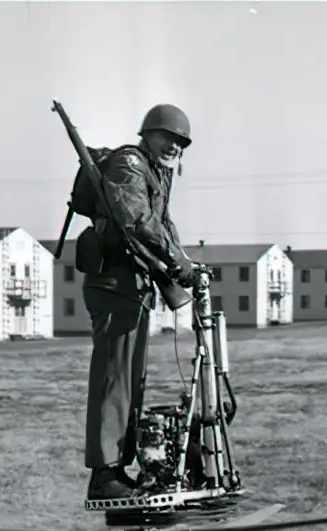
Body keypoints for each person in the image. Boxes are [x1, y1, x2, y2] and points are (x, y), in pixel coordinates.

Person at [82, 103, 199, 501]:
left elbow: (163, 225)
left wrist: (184, 264)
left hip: (133, 287)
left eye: (181, 143)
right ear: (148, 133)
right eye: (168, 137)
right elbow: (137, 220)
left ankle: (119, 467)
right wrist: (176, 263)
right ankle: (104, 474)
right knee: (114, 380)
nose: (174, 147)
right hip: (114, 283)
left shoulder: (157, 174)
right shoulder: (129, 165)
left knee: (131, 383)